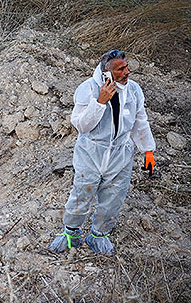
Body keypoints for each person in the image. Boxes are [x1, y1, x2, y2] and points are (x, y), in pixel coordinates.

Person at [48, 49, 156, 256]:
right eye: (121, 69)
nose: (127, 72)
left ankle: (98, 235)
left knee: (113, 198)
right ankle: (71, 233)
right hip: (91, 152)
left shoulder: (133, 90)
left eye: (127, 66)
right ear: (107, 72)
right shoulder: (88, 89)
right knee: (82, 193)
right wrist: (100, 101)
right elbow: (81, 125)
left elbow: (140, 121)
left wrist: (148, 151)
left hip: (121, 154)